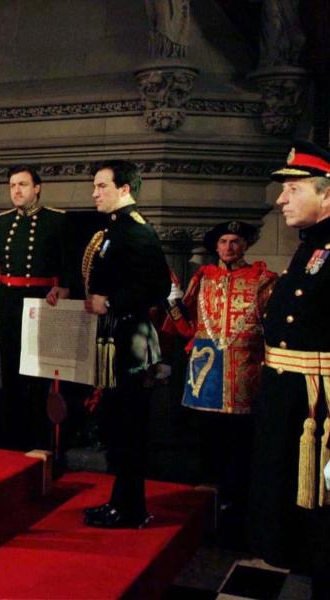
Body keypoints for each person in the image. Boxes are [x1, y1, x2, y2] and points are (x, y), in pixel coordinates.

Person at [250, 139, 330, 598]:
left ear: (326, 194)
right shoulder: (312, 246)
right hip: (291, 393)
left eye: (293, 190)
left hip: (318, 401)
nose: (281, 199)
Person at [163, 221, 275, 525]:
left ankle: (239, 502)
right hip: (207, 373)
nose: (229, 247)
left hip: (244, 372)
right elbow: (186, 328)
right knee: (208, 436)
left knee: (241, 440)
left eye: (235, 241)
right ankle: (209, 497)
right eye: (223, 241)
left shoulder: (263, 280)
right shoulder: (203, 278)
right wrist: (172, 302)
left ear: (246, 245)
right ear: (215, 246)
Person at [81, 160, 170, 528]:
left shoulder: (137, 232)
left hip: (132, 338)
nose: (94, 193)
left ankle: (131, 507)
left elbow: (158, 288)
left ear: (124, 189)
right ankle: (120, 501)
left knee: (130, 424)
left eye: (102, 186)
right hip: (114, 336)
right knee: (116, 422)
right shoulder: (114, 230)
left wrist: (112, 302)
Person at [0, 165, 76, 450]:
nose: (16, 191)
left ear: (37, 188)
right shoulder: (2, 222)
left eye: (22, 184)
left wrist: (66, 286)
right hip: (9, 303)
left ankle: (41, 442)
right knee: (10, 373)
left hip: (43, 301)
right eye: (12, 186)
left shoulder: (57, 221)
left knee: (39, 375)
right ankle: (11, 442)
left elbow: (71, 262)